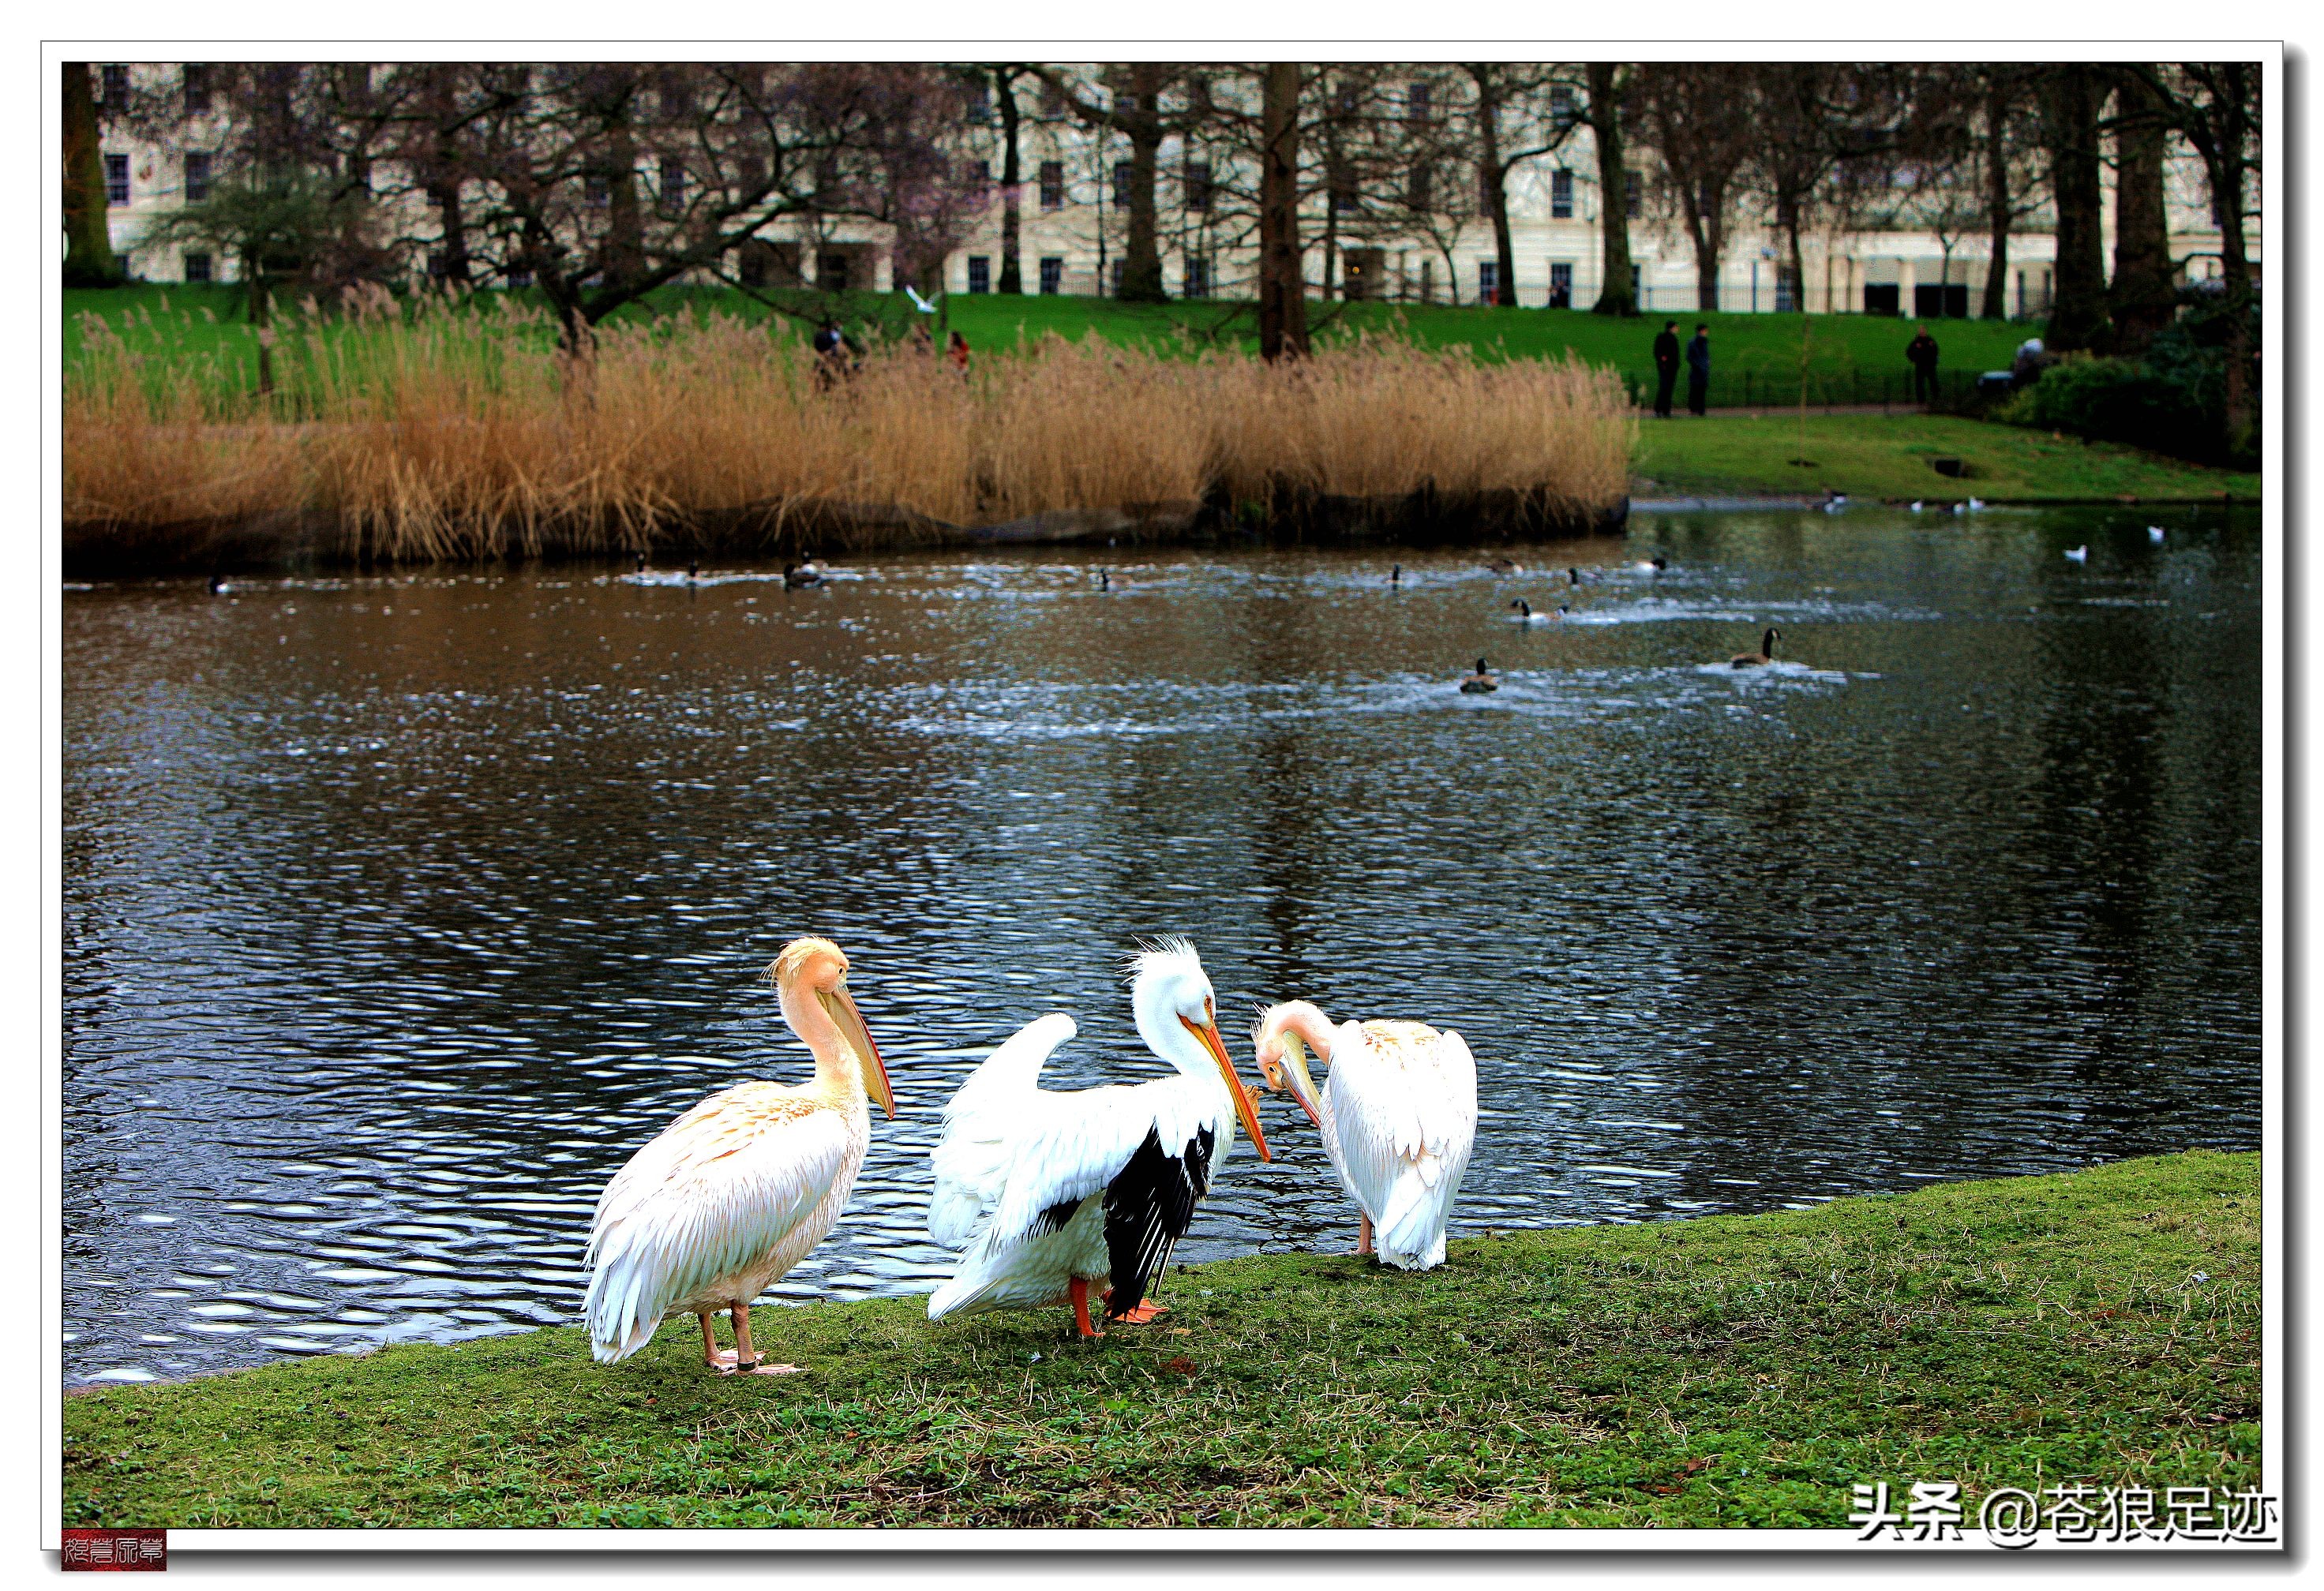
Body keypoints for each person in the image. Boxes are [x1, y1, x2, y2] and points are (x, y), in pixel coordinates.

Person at [1651, 320, 1681, 419]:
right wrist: (1663, 361)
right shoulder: (1665, 338)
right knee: (1665, 388)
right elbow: (1659, 352)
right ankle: (1661, 409)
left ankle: (1664, 410)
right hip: (1667, 367)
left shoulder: (1669, 338)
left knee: (1667, 389)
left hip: (1670, 367)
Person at [1906, 324, 1940, 405]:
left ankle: (1936, 398)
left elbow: (1936, 351)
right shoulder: (1916, 341)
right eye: (1920, 330)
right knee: (1919, 383)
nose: (1921, 331)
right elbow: (1909, 351)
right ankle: (1921, 400)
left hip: (1930, 366)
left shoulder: (1930, 340)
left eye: (1923, 330)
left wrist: (1934, 361)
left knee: (1933, 382)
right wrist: (1914, 360)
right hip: (1920, 365)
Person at [1685, 324, 1711, 416]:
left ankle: (1696, 409)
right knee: (1698, 390)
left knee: (1697, 390)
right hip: (1699, 369)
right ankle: (1698, 409)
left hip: (1699, 368)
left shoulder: (1699, 341)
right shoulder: (1698, 342)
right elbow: (1691, 356)